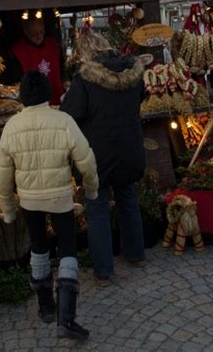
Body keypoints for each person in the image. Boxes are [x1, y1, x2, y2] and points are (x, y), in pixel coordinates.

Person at [0, 70, 98, 340]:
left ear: (22, 97)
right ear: (47, 93)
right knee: (67, 250)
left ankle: (46, 308)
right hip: (61, 198)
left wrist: (7, 209)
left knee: (39, 247)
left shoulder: (11, 126)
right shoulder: (63, 120)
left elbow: (3, 175)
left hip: (29, 200)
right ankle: (67, 318)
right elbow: (86, 160)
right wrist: (91, 189)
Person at [60, 31, 146, 279]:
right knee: (128, 200)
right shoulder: (133, 73)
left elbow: (70, 115)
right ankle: (136, 254)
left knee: (97, 209)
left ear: (86, 52)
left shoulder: (85, 80)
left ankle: (104, 268)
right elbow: (140, 99)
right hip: (129, 149)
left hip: (97, 155)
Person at [8, 17, 64, 105]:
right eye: (34, 33)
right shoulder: (18, 52)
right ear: (26, 32)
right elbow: (16, 83)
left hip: (56, 97)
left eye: (41, 32)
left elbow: (61, 69)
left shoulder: (53, 45)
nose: (38, 36)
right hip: (33, 103)